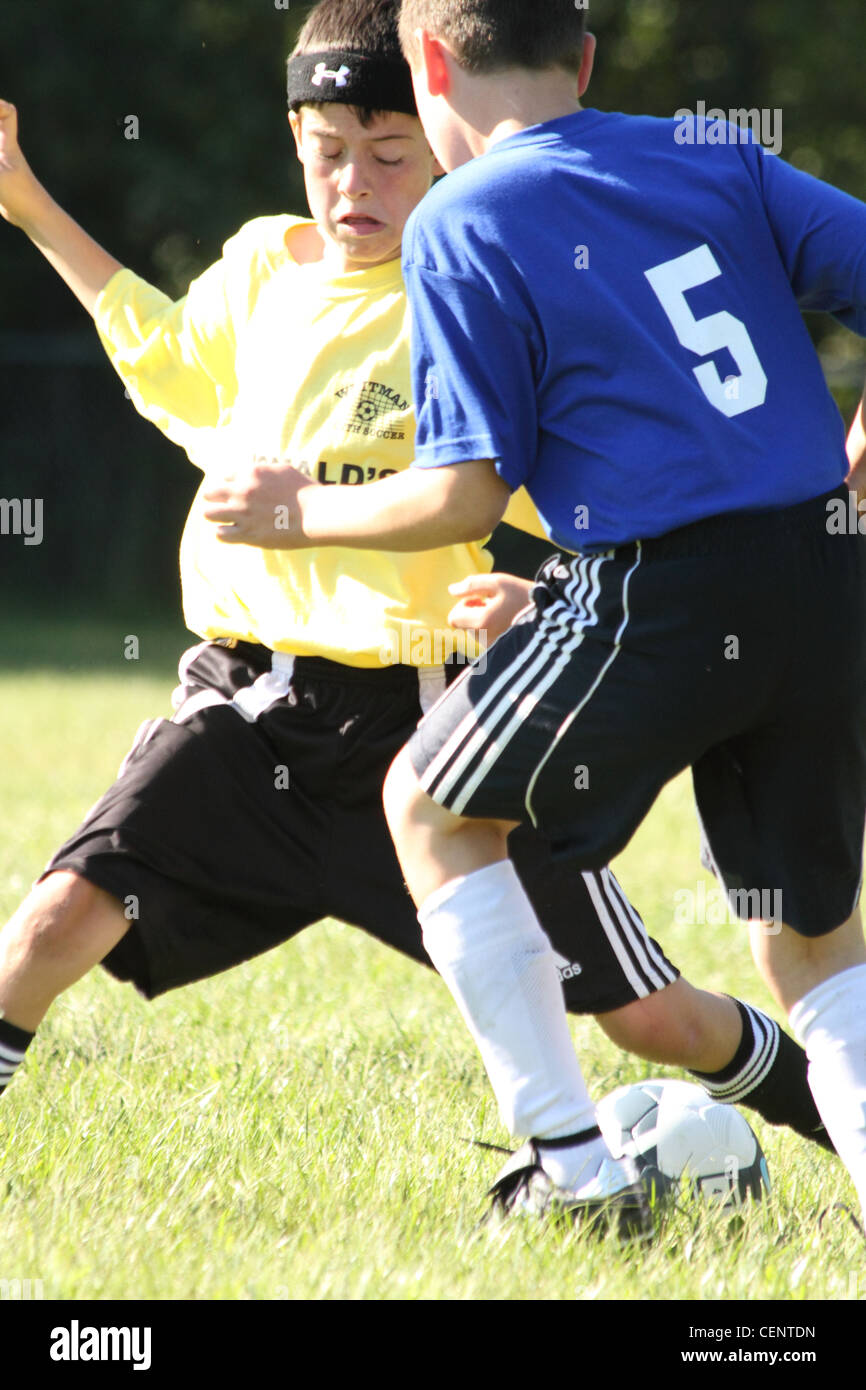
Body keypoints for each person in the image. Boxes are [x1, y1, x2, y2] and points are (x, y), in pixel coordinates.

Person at [0, 1, 830, 1208]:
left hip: (447, 721)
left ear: (440, 126)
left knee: (654, 1019)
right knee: (50, 925)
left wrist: (544, 593)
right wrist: (26, 201)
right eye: (327, 150)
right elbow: (169, 362)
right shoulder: (261, 269)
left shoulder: (481, 268)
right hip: (259, 709)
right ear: (293, 143)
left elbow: (586, 501)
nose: (355, 181)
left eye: (388, 152)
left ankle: (820, 1102)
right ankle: (581, 1177)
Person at [224, 0, 866, 1229]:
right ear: (581, 59)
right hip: (819, 578)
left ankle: (574, 1179)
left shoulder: (465, 214)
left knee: (429, 805)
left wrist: (296, 515)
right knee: (812, 947)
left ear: (425, 65)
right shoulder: (708, 148)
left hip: (659, 586)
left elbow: (460, 487)